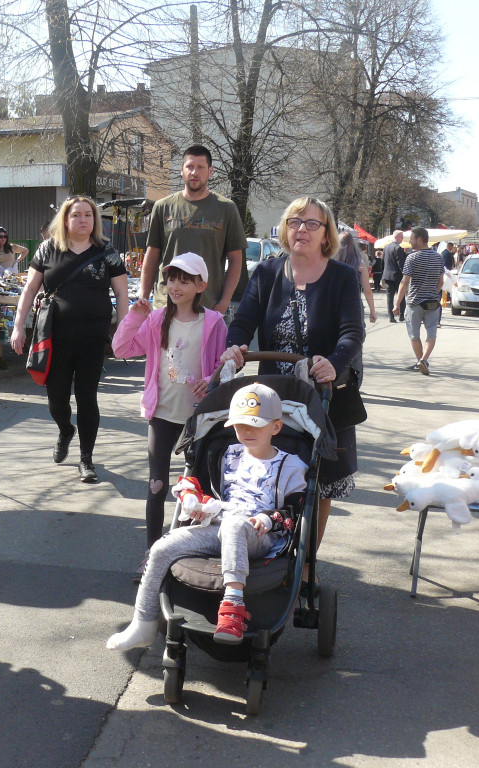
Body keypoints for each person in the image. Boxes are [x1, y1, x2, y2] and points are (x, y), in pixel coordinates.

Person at [106, 382, 307, 649]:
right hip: (220, 526)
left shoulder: (291, 465)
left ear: (276, 427)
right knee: (162, 547)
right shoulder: (226, 454)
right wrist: (195, 501)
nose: (246, 431)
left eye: (255, 425)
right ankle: (143, 622)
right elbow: (198, 485)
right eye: (239, 425)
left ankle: (233, 607)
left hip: (262, 536)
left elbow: (294, 510)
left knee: (236, 524)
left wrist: (269, 519)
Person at [220, 196, 363, 564]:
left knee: (318, 485)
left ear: (325, 233)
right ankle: (258, 545)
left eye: (312, 223)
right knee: (268, 471)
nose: (302, 229)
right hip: (273, 395)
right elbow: (243, 321)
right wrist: (234, 347)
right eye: (295, 221)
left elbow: (352, 333)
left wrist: (333, 363)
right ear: (285, 228)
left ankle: (302, 563)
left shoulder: (342, 277)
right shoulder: (267, 272)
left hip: (322, 395)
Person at [111, 252, 228, 573]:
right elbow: (121, 348)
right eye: (172, 279)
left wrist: (210, 380)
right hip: (161, 415)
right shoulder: (157, 319)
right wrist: (134, 316)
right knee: (156, 486)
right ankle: (152, 555)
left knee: (195, 490)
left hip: (198, 420)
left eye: (185, 280)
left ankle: (188, 553)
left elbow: (225, 368)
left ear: (201, 285)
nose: (176, 286)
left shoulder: (214, 323)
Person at [10, 196, 129, 483]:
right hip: (55, 337)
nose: (83, 220)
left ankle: (86, 460)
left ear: (94, 220)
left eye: (88, 215)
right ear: (66, 219)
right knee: (57, 400)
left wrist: (123, 334)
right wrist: (18, 326)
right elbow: (29, 291)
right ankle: (65, 429)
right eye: (76, 215)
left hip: (93, 337)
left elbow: (122, 295)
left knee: (87, 397)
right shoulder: (48, 249)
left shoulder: (107, 251)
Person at [139, 145, 247, 317]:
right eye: (190, 166)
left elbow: (236, 260)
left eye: (201, 167)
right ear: (182, 169)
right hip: (166, 307)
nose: (194, 172)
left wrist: (224, 302)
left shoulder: (226, 209)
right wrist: (143, 297)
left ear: (210, 171)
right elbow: (152, 254)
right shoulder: (163, 207)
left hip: (208, 308)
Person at [394, 227, 444, 376]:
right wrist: (433, 292)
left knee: (414, 335)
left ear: (420, 239)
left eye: (411, 239)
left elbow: (404, 282)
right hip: (433, 303)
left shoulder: (412, 257)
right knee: (431, 333)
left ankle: (420, 360)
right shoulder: (438, 257)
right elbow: (441, 281)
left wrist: (397, 303)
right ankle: (423, 360)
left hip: (414, 302)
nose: (409, 242)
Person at [336, 231, 378, 327]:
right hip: (353, 303)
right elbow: (367, 290)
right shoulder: (360, 264)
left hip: (334, 302)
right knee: (355, 334)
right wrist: (372, 310)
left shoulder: (331, 263)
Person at [381, 230, 407, 322]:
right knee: (401, 296)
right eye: (401, 237)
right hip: (397, 276)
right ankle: (401, 315)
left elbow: (383, 262)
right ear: (397, 237)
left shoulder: (386, 247)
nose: (402, 239)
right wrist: (405, 274)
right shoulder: (398, 248)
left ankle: (391, 317)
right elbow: (401, 263)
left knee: (389, 297)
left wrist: (382, 275)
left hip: (387, 276)